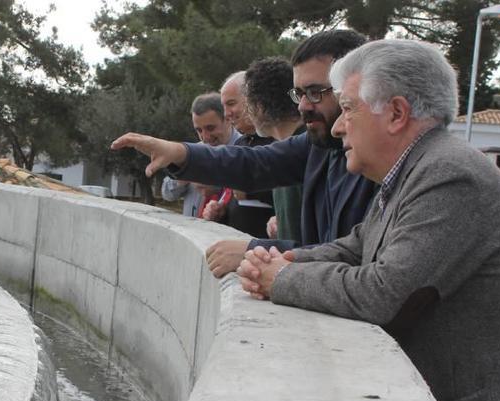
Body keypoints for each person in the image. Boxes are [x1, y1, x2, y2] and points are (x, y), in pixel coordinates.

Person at [236, 39, 500, 401]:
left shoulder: (450, 175)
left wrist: (282, 278)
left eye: (348, 108)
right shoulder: (413, 171)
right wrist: (284, 259)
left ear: (397, 113)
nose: (340, 126)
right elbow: (356, 247)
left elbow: (385, 291)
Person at [111, 30, 376, 279]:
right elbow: (254, 163)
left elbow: (357, 261)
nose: (304, 106)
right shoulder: (320, 146)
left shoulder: (385, 165)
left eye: (316, 92)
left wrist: (256, 249)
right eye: (299, 94)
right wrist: (180, 153)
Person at [204, 71, 276, 238]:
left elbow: (291, 192)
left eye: (231, 104)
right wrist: (221, 211)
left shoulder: (279, 140)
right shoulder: (240, 144)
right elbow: (235, 197)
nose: (227, 113)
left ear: (253, 99)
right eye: (224, 107)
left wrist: (251, 190)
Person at [242, 57, 304, 244]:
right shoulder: (288, 152)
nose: (247, 114)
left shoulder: (305, 155)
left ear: (258, 108)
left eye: (247, 106)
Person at [161, 92, 239, 217]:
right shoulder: (193, 152)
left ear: (227, 119)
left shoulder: (248, 149)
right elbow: (167, 194)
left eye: (210, 128)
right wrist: (185, 175)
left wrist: (218, 186)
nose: (205, 137)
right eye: (199, 130)